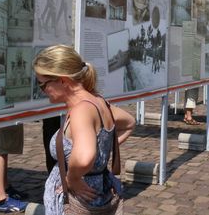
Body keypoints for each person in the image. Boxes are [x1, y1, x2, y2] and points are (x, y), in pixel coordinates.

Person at [34, 45, 135, 214]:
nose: (42, 91)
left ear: (62, 80)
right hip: (97, 191)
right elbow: (129, 122)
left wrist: (72, 179)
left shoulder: (81, 111)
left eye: (42, 85)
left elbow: (84, 158)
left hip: (77, 200)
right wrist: (103, 148)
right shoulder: (97, 101)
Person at [0, 124, 28, 212]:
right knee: (2, 147)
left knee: (5, 146)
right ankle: (2, 201)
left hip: (8, 112)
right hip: (4, 113)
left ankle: (5, 188)